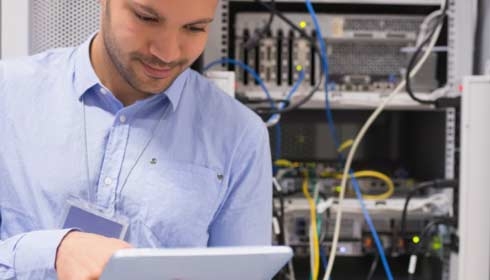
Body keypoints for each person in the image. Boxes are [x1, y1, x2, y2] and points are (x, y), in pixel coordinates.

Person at [0, 0, 272, 279]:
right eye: (146, 18)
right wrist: (52, 252)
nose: (166, 53)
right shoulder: (7, 94)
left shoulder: (240, 137)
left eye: (194, 28)